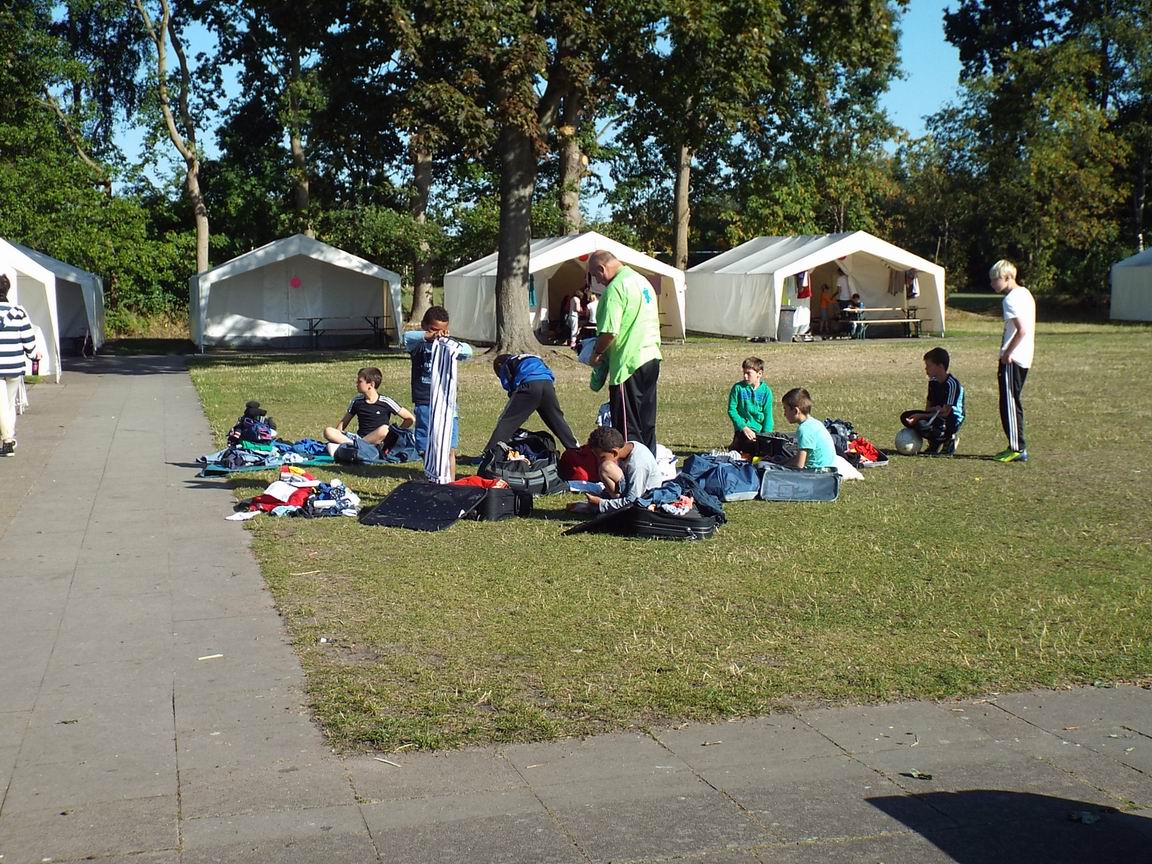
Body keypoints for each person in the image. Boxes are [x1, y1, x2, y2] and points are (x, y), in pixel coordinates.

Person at [587, 250, 662, 453]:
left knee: (628, 429)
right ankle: (650, 465)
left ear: (602, 268)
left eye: (595, 275)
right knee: (646, 423)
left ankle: (631, 468)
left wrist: (596, 353)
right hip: (651, 357)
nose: (597, 281)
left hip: (628, 363)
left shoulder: (615, 289)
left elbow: (609, 332)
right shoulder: (642, 281)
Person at [403, 306, 473, 475]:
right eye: (434, 329)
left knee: (449, 447)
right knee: (427, 446)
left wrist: (448, 342)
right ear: (424, 325)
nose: (439, 334)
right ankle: (431, 476)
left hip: (447, 403)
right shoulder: (417, 345)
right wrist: (429, 336)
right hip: (425, 401)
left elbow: (468, 351)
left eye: (442, 330)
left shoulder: (449, 346)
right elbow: (406, 337)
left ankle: (451, 482)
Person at [484, 353, 579, 454]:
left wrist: (519, 408)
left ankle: (490, 453)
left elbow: (508, 385)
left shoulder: (505, 363)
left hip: (529, 385)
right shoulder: (526, 357)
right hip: (547, 384)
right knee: (557, 420)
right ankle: (575, 450)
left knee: (506, 422)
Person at [990, 259, 1035, 463]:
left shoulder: (1010, 299)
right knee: (1011, 401)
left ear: (1007, 277)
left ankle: (1017, 448)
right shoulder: (1025, 293)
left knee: (1009, 403)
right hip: (1024, 357)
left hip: (1013, 359)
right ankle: (1015, 445)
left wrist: (1007, 353)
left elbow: (1022, 330)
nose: (992, 283)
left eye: (995, 279)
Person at [323, 366, 414, 459]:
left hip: (378, 441)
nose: (356, 384)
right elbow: (343, 423)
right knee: (328, 431)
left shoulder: (386, 401)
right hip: (359, 439)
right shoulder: (357, 401)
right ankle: (356, 446)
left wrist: (395, 435)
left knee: (385, 429)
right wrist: (337, 435)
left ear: (371, 384)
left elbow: (410, 419)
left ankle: (353, 448)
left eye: (360, 381)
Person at [570, 426, 663, 513]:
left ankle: (613, 508)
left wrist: (601, 503)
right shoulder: (626, 448)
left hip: (645, 498)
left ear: (614, 452)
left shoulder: (638, 465)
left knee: (606, 467)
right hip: (633, 490)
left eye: (602, 457)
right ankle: (611, 504)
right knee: (605, 468)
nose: (599, 461)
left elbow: (633, 501)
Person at [0, 274, 41, 457]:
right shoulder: (18, 312)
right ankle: (9, 439)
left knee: (2, 405)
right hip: (15, 366)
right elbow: (28, 339)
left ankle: (8, 440)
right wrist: (33, 355)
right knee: (8, 404)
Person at [900, 347, 965, 455]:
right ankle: (935, 443)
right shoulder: (933, 382)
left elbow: (946, 412)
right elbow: (928, 408)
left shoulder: (952, 384)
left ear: (940, 367)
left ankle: (949, 438)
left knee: (922, 424)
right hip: (937, 415)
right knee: (905, 417)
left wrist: (920, 416)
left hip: (951, 420)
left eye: (928, 365)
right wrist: (932, 410)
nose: (926, 369)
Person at [781, 387, 836, 471]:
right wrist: (782, 462)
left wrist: (777, 466)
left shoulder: (804, 429)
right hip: (829, 471)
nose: (784, 414)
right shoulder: (815, 423)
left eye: (785, 409)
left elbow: (799, 464)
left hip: (815, 474)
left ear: (796, 411)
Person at [727, 356, 774, 453]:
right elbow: (732, 410)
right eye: (744, 373)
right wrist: (744, 427)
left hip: (759, 431)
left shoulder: (766, 392)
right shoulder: (738, 388)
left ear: (759, 373)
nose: (745, 376)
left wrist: (765, 436)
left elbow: (768, 415)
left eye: (748, 373)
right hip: (743, 430)